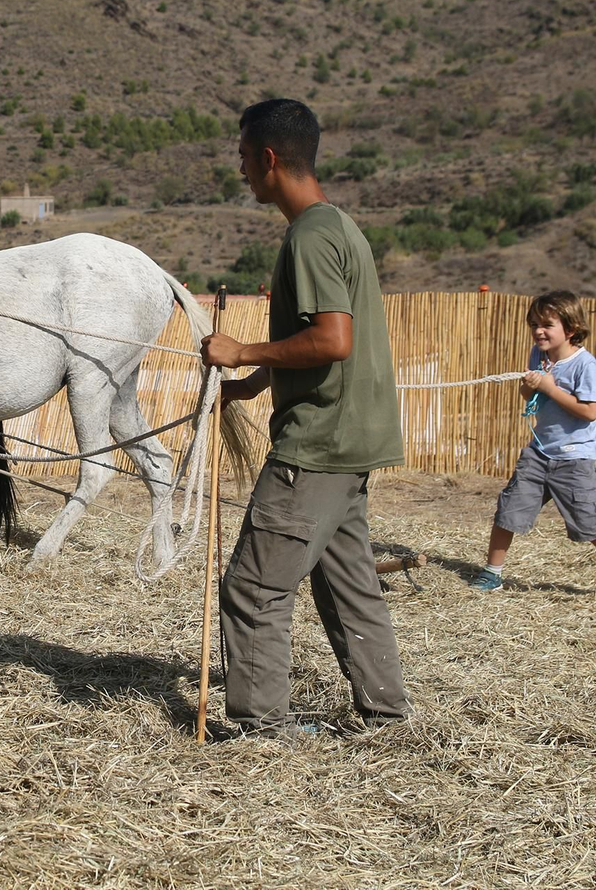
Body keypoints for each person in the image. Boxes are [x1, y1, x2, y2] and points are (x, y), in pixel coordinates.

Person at [200, 98, 409, 739]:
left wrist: (241, 350)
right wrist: (255, 382)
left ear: (269, 159)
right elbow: (313, 344)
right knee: (346, 583)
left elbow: (332, 340)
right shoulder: (338, 227)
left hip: (317, 444)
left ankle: (261, 727)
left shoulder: (310, 239)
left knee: (253, 586)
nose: (240, 171)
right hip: (351, 441)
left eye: (242, 158)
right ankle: (386, 712)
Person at [470, 291, 596, 593]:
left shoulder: (585, 365)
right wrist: (530, 387)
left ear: (571, 328)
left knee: (587, 520)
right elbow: (531, 397)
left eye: (547, 325)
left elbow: (590, 412)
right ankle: (492, 572)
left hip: (573, 459)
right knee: (508, 509)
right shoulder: (539, 357)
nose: (539, 331)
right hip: (538, 453)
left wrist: (549, 387)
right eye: (534, 324)